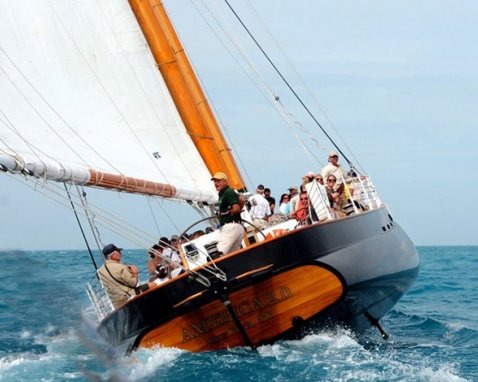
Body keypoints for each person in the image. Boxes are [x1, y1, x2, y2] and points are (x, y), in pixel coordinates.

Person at [98, 243, 150, 308]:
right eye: (119, 252)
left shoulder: (100, 271)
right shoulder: (121, 267)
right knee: (152, 284)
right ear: (114, 255)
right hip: (128, 297)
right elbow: (133, 284)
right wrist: (135, 272)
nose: (120, 254)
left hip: (116, 304)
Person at [211, 172, 245, 255]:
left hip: (230, 227)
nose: (216, 183)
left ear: (225, 182)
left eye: (218, 181)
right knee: (233, 256)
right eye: (215, 181)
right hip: (236, 227)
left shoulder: (227, 192)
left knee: (218, 255)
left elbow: (236, 208)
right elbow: (242, 199)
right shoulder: (224, 193)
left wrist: (227, 212)